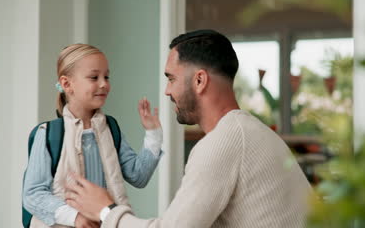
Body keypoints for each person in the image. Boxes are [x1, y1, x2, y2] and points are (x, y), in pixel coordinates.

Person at [65, 30, 312, 228]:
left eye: (171, 79)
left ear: (199, 80)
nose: (167, 91)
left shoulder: (223, 143)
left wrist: (106, 211)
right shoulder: (251, 132)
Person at [22, 44, 163, 228]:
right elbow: (33, 194)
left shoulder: (110, 129)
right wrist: (75, 218)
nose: (104, 83)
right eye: (94, 77)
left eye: (107, 76)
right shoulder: (47, 134)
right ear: (66, 84)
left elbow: (138, 176)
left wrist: (153, 134)